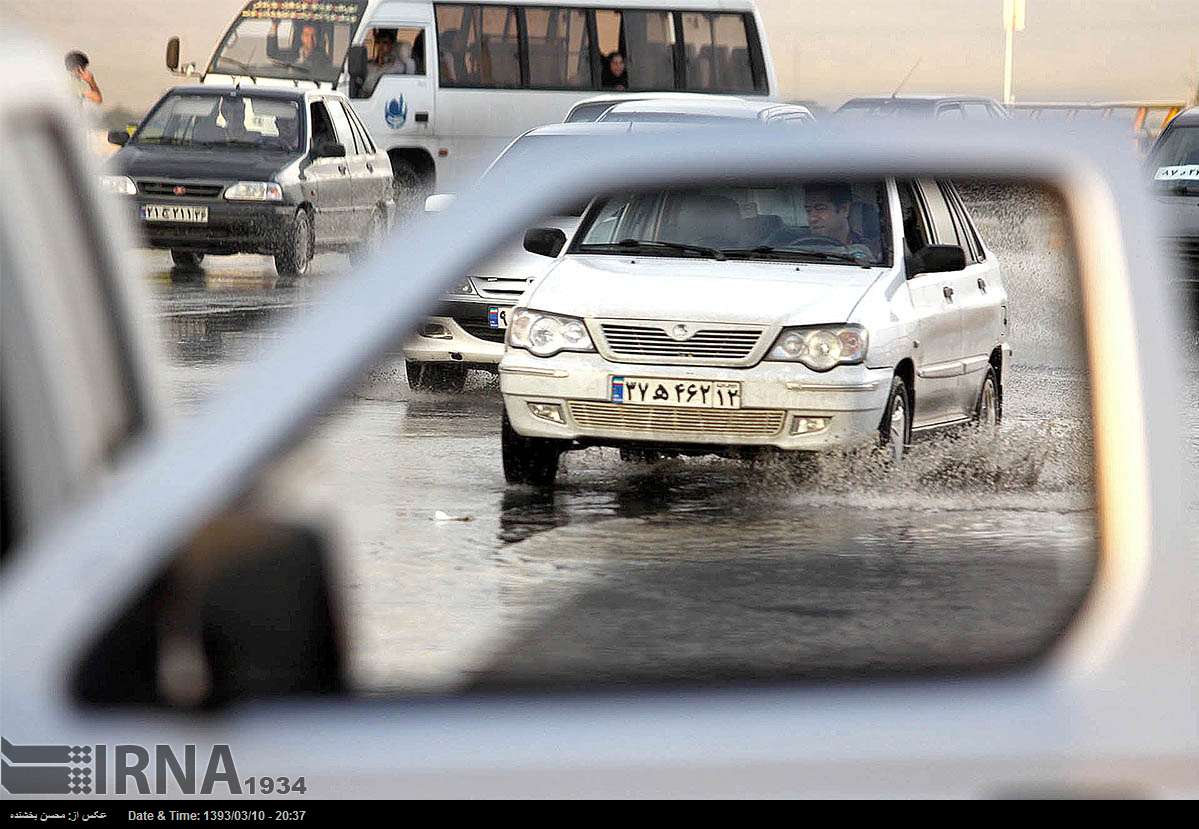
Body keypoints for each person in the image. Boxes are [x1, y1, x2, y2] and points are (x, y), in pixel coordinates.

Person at [804, 183, 876, 255]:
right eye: (808, 210)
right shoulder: (799, 248)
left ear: (845, 209)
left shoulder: (870, 249)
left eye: (821, 209)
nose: (812, 219)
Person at [267, 20, 333, 75]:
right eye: (306, 35)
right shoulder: (292, 55)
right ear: (301, 37)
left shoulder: (323, 60)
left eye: (313, 35)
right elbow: (272, 53)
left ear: (318, 38)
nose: (310, 40)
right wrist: (274, 26)